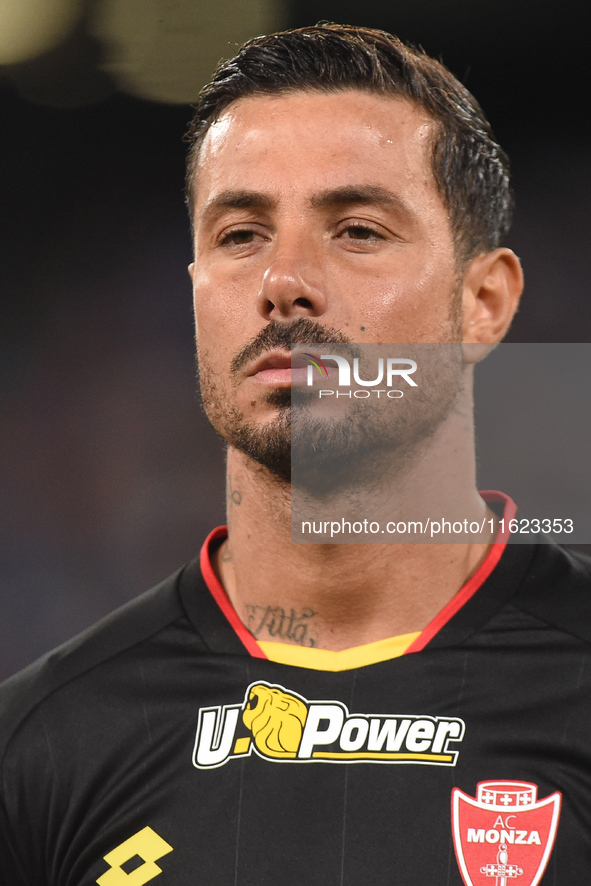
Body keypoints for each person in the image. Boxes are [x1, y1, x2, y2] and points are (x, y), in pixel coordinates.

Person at [1, 23, 590, 886]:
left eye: (354, 229)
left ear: (484, 303)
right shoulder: (44, 741)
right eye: (240, 235)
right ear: (196, 291)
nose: (284, 281)